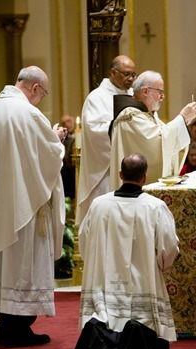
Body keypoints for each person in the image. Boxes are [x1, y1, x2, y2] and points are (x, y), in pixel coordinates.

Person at [0, 66, 66, 347]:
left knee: (7, 265)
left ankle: (8, 324)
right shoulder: (27, 113)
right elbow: (49, 154)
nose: (41, 100)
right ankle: (16, 329)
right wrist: (58, 140)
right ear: (35, 88)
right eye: (43, 94)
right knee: (21, 264)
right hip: (23, 206)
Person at [73, 154, 179, 349]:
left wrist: (97, 263)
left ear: (120, 175)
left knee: (104, 318)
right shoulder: (155, 207)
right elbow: (169, 249)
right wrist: (160, 269)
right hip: (144, 285)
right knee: (156, 345)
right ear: (145, 177)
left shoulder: (99, 205)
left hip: (104, 287)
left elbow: (84, 242)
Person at [109, 70, 196, 189]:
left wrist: (183, 122)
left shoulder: (147, 115)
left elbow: (165, 135)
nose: (163, 97)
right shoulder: (131, 117)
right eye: (160, 92)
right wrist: (181, 118)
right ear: (145, 91)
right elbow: (157, 142)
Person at [75, 55, 136, 226]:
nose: (130, 79)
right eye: (126, 74)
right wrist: (121, 125)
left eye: (133, 75)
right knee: (106, 221)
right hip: (105, 170)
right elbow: (94, 131)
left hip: (129, 168)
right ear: (113, 72)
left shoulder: (133, 96)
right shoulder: (96, 97)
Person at [58, 114, 76, 199]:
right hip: (67, 173)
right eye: (64, 122)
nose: (66, 124)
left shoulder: (81, 135)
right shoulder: (61, 140)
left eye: (68, 121)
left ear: (74, 122)